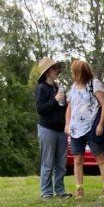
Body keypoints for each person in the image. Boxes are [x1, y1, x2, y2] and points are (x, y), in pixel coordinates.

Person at [63, 59, 104, 198]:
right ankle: (79, 190)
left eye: (74, 71)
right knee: (77, 159)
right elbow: (70, 107)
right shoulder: (74, 87)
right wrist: (67, 124)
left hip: (92, 127)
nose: (72, 73)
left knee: (99, 157)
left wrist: (101, 124)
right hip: (76, 129)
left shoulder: (94, 84)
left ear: (80, 72)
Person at [34, 57, 71, 199]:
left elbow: (62, 108)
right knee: (48, 162)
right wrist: (55, 100)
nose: (58, 71)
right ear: (47, 71)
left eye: (58, 68)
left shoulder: (57, 88)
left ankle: (60, 191)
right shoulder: (41, 88)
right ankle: (46, 192)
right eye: (55, 68)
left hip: (61, 130)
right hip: (47, 129)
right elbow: (40, 109)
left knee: (61, 164)